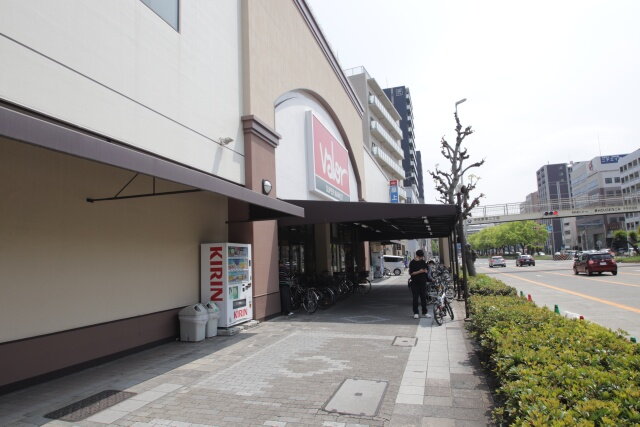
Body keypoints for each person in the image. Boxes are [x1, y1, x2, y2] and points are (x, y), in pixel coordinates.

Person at [409, 249, 431, 319]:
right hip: (415, 283)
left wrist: (425, 271)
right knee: (415, 298)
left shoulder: (423, 262)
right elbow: (411, 273)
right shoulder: (412, 263)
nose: (422, 257)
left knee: (423, 298)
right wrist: (419, 271)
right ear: (418, 256)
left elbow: (426, 269)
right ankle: (416, 313)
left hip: (423, 282)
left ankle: (425, 312)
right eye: (421, 256)